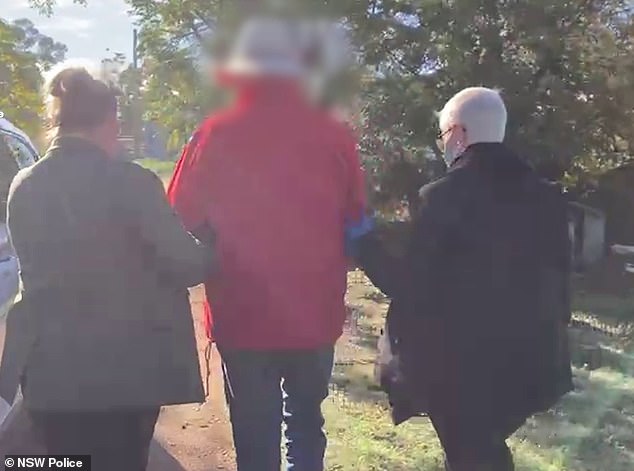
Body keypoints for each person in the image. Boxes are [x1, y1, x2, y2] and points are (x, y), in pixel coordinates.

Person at [168, 18, 367, 471]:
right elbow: (358, 218)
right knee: (304, 423)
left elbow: (178, 214)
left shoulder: (215, 134)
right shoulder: (334, 134)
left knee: (255, 431)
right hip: (314, 312)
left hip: (243, 313)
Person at [3, 66, 216, 470]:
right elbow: (186, 264)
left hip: (51, 378)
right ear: (109, 121)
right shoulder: (133, 182)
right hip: (124, 381)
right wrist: (212, 245)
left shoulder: (23, 185)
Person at [356, 87, 573, 471]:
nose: (443, 146)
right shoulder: (549, 199)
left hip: (461, 370)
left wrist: (363, 243)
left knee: (474, 455)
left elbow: (408, 280)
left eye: (442, 137)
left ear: (458, 133)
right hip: (531, 361)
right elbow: (561, 282)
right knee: (482, 450)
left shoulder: (442, 197)